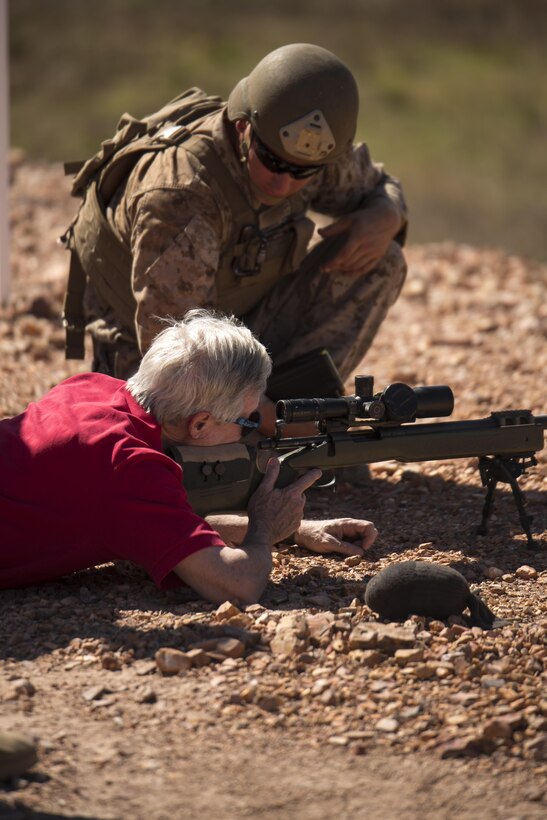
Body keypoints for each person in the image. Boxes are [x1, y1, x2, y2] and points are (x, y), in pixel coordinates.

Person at [62, 43, 408, 434]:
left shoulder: (311, 149)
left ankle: (291, 420)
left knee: (382, 259)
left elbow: (379, 186)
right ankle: (271, 432)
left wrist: (387, 214)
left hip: (239, 324)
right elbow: (176, 346)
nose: (284, 182)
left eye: (302, 172)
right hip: (157, 353)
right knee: (186, 452)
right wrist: (260, 417)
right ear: (244, 127)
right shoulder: (183, 193)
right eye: (273, 161)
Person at [1, 310, 378, 604]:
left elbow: (166, 519)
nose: (249, 432)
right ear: (199, 425)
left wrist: (294, 529)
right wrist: (263, 530)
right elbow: (237, 585)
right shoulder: (129, 466)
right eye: (246, 421)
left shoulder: (91, 387)